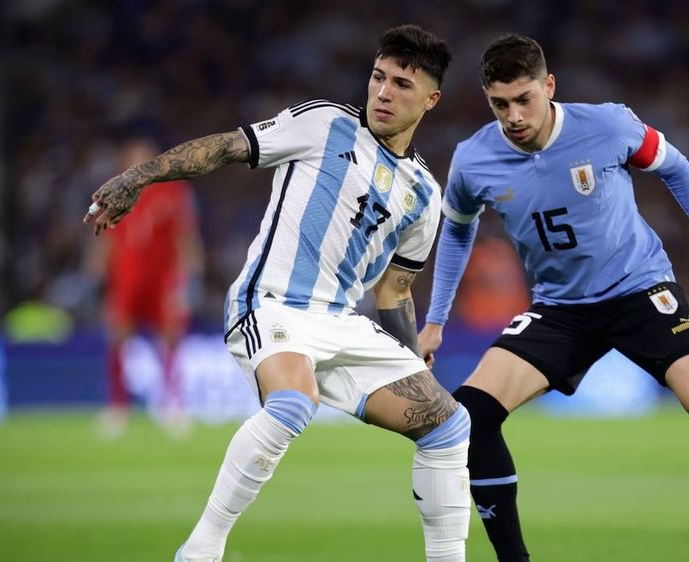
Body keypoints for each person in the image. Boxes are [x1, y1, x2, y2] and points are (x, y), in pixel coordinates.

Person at [418, 34, 689, 562]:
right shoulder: (474, 158)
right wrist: (437, 320)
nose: (514, 116)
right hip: (560, 310)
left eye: (525, 99)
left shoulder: (607, 125)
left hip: (641, 291)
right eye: (500, 104)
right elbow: (457, 232)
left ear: (549, 87)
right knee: (471, 413)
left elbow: (676, 167)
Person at [84, 25, 470, 562]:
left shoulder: (425, 196)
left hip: (343, 323)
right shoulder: (325, 123)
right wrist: (139, 177)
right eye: (378, 78)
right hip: (271, 304)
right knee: (293, 403)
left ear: (431, 100)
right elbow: (225, 148)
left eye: (402, 85)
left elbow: (395, 291)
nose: (383, 93)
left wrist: (413, 357)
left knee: (449, 424)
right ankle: (201, 549)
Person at [90, 134, 203, 439]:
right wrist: (98, 266)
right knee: (118, 337)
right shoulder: (115, 192)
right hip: (126, 277)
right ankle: (117, 407)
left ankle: (172, 405)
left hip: (163, 279)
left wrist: (189, 278)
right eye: (133, 158)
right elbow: (105, 234)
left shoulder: (174, 191)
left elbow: (185, 235)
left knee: (169, 339)